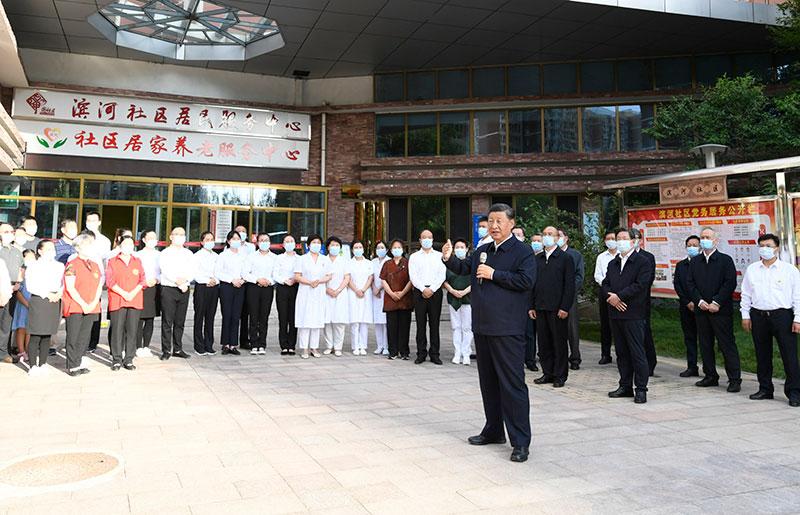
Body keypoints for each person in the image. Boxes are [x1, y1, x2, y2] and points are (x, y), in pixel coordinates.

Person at [443, 203, 537, 463]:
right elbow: (465, 267)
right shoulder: (483, 250)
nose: (494, 226)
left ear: (511, 223)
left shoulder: (522, 252)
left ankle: (520, 441)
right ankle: (494, 430)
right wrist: (449, 258)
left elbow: (526, 281)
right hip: (483, 326)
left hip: (507, 328)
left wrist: (495, 274)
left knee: (512, 384)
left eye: (499, 221)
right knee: (489, 383)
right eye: (491, 221)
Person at [740, 234, 800, 407]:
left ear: (777, 249)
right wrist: (745, 315)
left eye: (768, 246)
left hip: (783, 316)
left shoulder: (789, 270)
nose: (764, 249)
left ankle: (794, 392)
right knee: (762, 355)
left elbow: (797, 296)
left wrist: (797, 318)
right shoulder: (752, 269)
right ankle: (765, 388)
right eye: (761, 246)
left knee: (789, 355)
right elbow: (746, 294)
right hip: (759, 316)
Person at [687, 226, 741, 392]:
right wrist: (700, 301)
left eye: (708, 237)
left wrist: (717, 302)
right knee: (705, 344)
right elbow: (690, 283)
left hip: (721, 311)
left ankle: (734, 379)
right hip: (701, 310)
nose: (704, 240)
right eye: (702, 237)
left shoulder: (725, 260)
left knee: (726, 344)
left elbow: (730, 282)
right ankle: (710, 375)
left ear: (716, 241)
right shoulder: (695, 261)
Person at [602, 229, 651, 404]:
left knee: (637, 352)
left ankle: (641, 389)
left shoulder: (642, 262)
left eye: (624, 238)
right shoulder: (613, 263)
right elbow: (605, 283)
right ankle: (625, 385)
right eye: (618, 238)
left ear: (632, 241)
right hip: (615, 313)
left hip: (633, 313)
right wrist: (612, 299)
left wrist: (620, 297)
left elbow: (640, 285)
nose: (620, 241)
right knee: (621, 352)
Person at [530, 226, 575, 388]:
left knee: (559, 342)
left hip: (558, 308)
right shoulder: (538, 258)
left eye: (550, 234)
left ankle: (560, 375)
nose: (547, 237)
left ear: (557, 238)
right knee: (544, 343)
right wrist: (531, 306)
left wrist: (565, 307)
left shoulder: (565, 258)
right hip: (540, 306)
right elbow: (532, 284)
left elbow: (569, 285)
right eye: (544, 234)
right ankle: (548, 372)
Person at [62, 232, 102, 376]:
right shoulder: (72, 265)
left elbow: (99, 285)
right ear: (78, 248)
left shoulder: (95, 265)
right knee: (73, 336)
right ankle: (72, 365)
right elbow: (70, 287)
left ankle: (79, 361)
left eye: (90, 245)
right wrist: (83, 304)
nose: (89, 248)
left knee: (84, 336)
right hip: (76, 305)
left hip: (92, 305)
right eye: (86, 245)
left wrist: (93, 302)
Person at [106, 234, 144, 371]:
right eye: (125, 244)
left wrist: (132, 293)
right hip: (118, 299)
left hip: (135, 299)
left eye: (130, 244)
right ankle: (116, 359)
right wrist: (123, 293)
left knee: (132, 330)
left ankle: (129, 359)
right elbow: (110, 281)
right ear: (120, 246)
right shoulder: (112, 261)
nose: (128, 246)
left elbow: (142, 279)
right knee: (117, 330)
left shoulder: (137, 261)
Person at [23, 241, 62, 376]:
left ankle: (43, 363)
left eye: (53, 248)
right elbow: (31, 286)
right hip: (40, 300)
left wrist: (59, 294)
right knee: (36, 334)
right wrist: (47, 294)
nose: (52, 251)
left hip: (55, 300)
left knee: (47, 334)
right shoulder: (33, 266)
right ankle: (33, 365)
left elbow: (63, 283)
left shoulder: (59, 265)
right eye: (48, 249)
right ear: (40, 251)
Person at [409, 229, 446, 365]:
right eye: (424, 237)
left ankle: (435, 354)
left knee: (434, 324)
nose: (427, 240)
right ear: (419, 240)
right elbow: (413, 276)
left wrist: (432, 289)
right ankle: (421, 353)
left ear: (433, 239)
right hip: (419, 291)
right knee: (420, 324)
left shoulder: (439, 256)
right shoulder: (414, 257)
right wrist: (423, 289)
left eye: (429, 237)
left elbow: (442, 275)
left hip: (435, 292)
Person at [159, 226, 195, 361]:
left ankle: (178, 349)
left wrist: (186, 281)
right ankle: (166, 349)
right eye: (177, 234)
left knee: (180, 321)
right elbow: (165, 270)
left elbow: (193, 270)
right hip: (169, 288)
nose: (180, 236)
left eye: (183, 234)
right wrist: (178, 281)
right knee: (167, 321)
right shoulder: (165, 253)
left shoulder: (188, 253)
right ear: (171, 237)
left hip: (184, 289)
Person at [294, 234, 332, 359]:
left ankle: (314, 347)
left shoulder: (325, 259)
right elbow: (297, 276)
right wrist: (309, 282)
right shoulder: (302, 259)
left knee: (317, 320)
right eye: (314, 242)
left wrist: (319, 281)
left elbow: (329, 276)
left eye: (318, 243)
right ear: (308, 245)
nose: (316, 245)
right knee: (305, 320)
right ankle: (304, 348)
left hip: (319, 291)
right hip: (305, 291)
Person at [243, 233, 276, 355]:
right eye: (262, 240)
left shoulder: (274, 257)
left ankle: (262, 343)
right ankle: (254, 343)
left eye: (267, 240)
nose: (264, 242)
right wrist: (257, 279)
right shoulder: (252, 256)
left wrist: (269, 281)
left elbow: (276, 274)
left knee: (264, 316)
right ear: (257, 243)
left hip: (268, 288)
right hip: (253, 288)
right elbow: (245, 273)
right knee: (253, 316)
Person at [83, 211, 111, 354]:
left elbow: (105, 262)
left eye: (94, 220)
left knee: (95, 310)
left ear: (99, 222)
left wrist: (103, 281)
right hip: (82, 279)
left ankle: (93, 342)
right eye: (89, 220)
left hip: (97, 279)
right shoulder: (81, 238)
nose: (91, 223)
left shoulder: (104, 241)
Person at [216, 230, 247, 356]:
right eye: (233, 239)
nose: (236, 241)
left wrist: (242, 280)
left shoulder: (244, 255)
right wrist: (231, 280)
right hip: (227, 287)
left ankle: (233, 344)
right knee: (227, 315)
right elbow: (218, 272)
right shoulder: (223, 255)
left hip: (240, 286)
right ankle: (225, 344)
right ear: (228, 241)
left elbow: (247, 270)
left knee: (236, 316)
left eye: (238, 239)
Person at [673, 235, 701, 377]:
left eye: (695, 245)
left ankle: (709, 369)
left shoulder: (704, 264)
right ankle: (692, 366)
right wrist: (687, 302)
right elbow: (678, 285)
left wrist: (698, 302)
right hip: (686, 307)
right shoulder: (681, 266)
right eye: (689, 245)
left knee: (705, 338)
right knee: (689, 337)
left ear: (700, 247)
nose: (692, 248)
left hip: (703, 306)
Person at [381, 239, 413, 360]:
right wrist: (391, 293)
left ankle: (404, 351)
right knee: (392, 326)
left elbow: (411, 279)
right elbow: (383, 280)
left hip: (405, 299)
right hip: (390, 299)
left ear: (403, 249)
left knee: (405, 326)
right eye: (394, 248)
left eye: (399, 247)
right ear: (391, 250)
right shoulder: (387, 264)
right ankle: (393, 351)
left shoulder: (408, 263)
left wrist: (402, 292)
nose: (397, 250)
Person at [631, 228, 657, 375]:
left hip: (641, 301)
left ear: (640, 240)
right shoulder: (621, 257)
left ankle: (649, 364)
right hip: (623, 302)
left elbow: (646, 281)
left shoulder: (647, 257)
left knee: (645, 332)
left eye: (636, 238)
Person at [442, 238, 472, 365]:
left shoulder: (471, 263)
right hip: (453, 298)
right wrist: (453, 291)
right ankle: (457, 353)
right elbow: (444, 280)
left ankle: (466, 353)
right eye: (457, 247)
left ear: (467, 249)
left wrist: (465, 291)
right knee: (456, 327)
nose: (460, 249)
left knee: (467, 327)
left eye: (462, 247)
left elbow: (476, 281)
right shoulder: (449, 264)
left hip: (468, 299)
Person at [558, 227, 584, 370]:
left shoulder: (575, 255)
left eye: (559, 235)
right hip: (553, 296)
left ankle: (575, 357)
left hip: (569, 296)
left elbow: (579, 276)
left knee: (571, 328)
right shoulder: (551, 255)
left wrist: (568, 290)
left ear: (566, 238)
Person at [594, 230, 619, 365]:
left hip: (620, 294)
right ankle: (605, 354)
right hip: (605, 292)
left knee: (619, 325)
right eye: (608, 239)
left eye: (613, 238)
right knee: (605, 324)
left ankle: (621, 354)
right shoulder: (601, 257)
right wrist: (607, 287)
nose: (610, 241)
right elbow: (598, 275)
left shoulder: (621, 255)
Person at [134, 230, 161, 357]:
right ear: (144, 240)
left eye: (154, 238)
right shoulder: (138, 255)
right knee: (139, 319)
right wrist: (144, 281)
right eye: (150, 238)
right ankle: (138, 346)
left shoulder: (160, 255)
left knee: (150, 319)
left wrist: (156, 279)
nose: (152, 240)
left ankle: (146, 346)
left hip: (155, 287)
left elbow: (163, 271)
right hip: (141, 288)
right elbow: (135, 272)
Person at [0, 222, 23, 364]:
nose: (10, 234)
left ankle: (4, 352)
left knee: (7, 322)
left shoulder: (17, 251)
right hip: (1, 289)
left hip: (13, 289)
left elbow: (22, 268)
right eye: (5, 232)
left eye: (11, 231)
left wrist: (18, 283)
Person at [323, 237, 350, 357]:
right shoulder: (323, 260)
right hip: (326, 293)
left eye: (337, 245)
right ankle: (329, 346)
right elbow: (319, 277)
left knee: (339, 321)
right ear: (328, 247)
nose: (334, 247)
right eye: (332, 245)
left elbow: (347, 278)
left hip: (340, 293)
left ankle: (338, 347)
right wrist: (327, 289)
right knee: (327, 322)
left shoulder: (344, 261)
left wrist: (338, 290)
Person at [193, 231, 219, 356]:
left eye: (211, 239)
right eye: (207, 239)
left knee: (210, 317)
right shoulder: (197, 256)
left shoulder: (216, 256)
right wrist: (208, 280)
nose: (210, 242)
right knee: (199, 317)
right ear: (202, 242)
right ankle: (199, 346)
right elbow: (195, 273)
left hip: (214, 288)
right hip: (202, 287)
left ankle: (209, 344)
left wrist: (215, 280)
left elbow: (219, 271)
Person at [273, 234, 299, 355]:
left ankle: (292, 345)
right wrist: (284, 281)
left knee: (294, 318)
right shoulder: (279, 258)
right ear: (283, 245)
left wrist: (294, 279)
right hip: (282, 288)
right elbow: (275, 274)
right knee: (283, 317)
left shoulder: (300, 259)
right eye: (287, 241)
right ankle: (284, 345)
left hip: (296, 288)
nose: (289, 243)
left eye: (291, 241)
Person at [347, 239, 373, 355]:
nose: (358, 249)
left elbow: (370, 278)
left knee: (364, 321)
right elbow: (348, 279)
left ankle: (363, 346)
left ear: (363, 249)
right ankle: (355, 346)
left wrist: (363, 290)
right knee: (355, 321)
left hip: (366, 293)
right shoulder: (349, 263)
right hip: (353, 293)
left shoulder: (368, 263)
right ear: (352, 250)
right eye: (356, 248)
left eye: (360, 247)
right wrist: (357, 290)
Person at [12, 250, 35, 363]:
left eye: (33, 257)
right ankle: (21, 351)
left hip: (33, 305)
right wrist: (27, 304)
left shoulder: (36, 273)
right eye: (28, 258)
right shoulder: (21, 273)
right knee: (21, 328)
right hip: (23, 305)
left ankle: (28, 350)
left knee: (30, 329)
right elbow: (18, 292)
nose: (31, 260)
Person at [525, 233, 543, 372]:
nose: (536, 243)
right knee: (528, 332)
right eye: (534, 240)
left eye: (538, 240)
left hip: (542, 299)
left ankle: (542, 357)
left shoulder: (545, 258)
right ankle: (529, 359)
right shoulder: (528, 256)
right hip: (527, 298)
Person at [235, 224, 255, 351]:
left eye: (243, 231)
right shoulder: (230, 247)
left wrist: (246, 279)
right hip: (235, 283)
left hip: (248, 283)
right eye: (238, 231)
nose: (241, 233)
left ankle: (244, 339)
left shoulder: (251, 247)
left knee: (246, 313)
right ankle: (231, 340)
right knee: (235, 312)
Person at [371, 241, 390, 356]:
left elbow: (387, 278)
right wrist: (374, 289)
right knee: (378, 322)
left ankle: (386, 346)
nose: (380, 250)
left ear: (386, 249)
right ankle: (379, 346)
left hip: (385, 293)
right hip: (375, 294)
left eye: (382, 247)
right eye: (378, 248)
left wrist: (379, 289)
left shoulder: (389, 261)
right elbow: (371, 277)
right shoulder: (373, 262)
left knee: (385, 322)